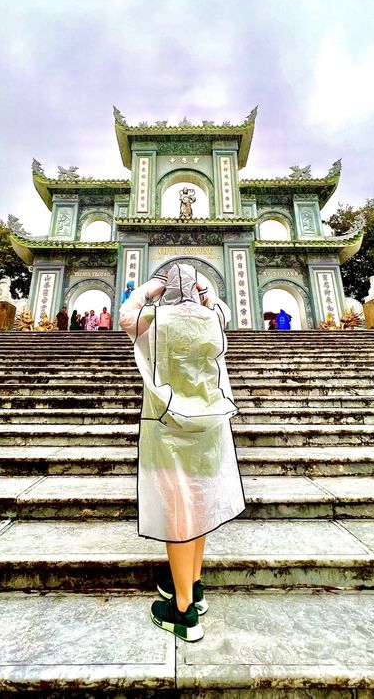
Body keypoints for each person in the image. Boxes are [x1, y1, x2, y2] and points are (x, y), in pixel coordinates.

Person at [119, 263, 244, 643]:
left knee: (178, 511)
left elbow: (126, 315)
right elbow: (219, 305)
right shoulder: (213, 318)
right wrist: (205, 287)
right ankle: (193, 583)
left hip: (168, 426)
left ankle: (183, 610)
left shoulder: (155, 319)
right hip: (210, 427)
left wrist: (151, 287)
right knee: (200, 504)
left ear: (166, 290)